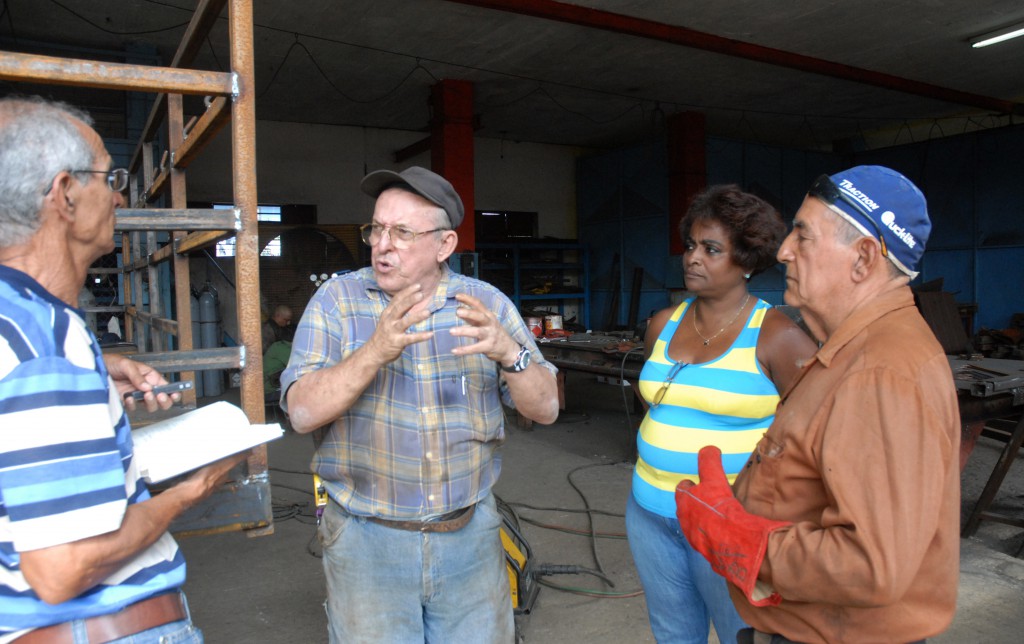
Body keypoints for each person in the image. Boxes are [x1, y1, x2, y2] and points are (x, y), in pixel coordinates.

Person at [676, 166, 960, 644]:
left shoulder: (878, 372)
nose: (784, 250)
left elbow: (870, 564)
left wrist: (741, 541)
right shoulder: (854, 350)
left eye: (803, 236)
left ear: (863, 258)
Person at [0, 97, 246, 641]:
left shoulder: (14, 320)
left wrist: (92, 382)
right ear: (64, 194)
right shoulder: (46, 341)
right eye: (106, 177)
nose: (116, 195)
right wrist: (189, 491)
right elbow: (66, 567)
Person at [280, 165, 559, 643]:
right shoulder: (337, 300)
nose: (381, 244)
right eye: (376, 228)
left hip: (469, 538)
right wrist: (374, 352)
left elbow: (546, 408)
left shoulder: (485, 304)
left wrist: (510, 354)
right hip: (367, 542)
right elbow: (301, 411)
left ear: (444, 245)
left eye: (402, 232)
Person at [627, 185, 818, 643]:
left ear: (748, 261)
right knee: (673, 632)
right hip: (649, 511)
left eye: (712, 249)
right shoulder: (662, 323)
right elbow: (658, 401)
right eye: (691, 245)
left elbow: (811, 433)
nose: (693, 257)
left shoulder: (776, 336)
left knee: (741, 633)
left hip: (731, 522)